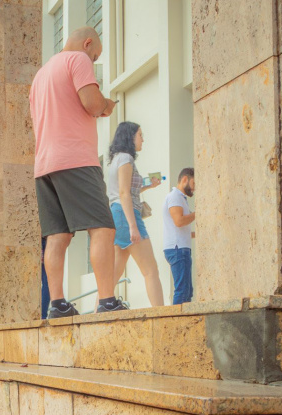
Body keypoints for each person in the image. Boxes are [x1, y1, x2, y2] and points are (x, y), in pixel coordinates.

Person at [29, 27, 123, 317]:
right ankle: (107, 300)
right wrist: (107, 105)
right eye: (95, 55)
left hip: (44, 165)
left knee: (58, 236)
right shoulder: (78, 60)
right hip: (75, 159)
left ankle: (57, 304)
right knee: (103, 228)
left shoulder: (40, 76)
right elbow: (92, 103)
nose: (92, 61)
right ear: (87, 44)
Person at [107, 121, 165, 307]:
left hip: (118, 214)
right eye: (140, 135)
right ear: (130, 137)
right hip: (127, 215)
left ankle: (97, 314)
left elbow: (125, 192)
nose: (143, 139)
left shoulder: (117, 158)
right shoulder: (126, 159)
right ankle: (162, 316)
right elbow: (124, 193)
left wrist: (148, 185)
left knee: (114, 275)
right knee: (150, 270)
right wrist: (133, 226)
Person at [163, 167, 196, 305]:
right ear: (184, 179)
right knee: (182, 291)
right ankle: (176, 324)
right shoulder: (175, 196)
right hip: (178, 249)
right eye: (194, 184)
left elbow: (181, 227)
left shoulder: (180, 198)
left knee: (187, 291)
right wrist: (197, 213)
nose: (194, 189)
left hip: (181, 248)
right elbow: (179, 221)